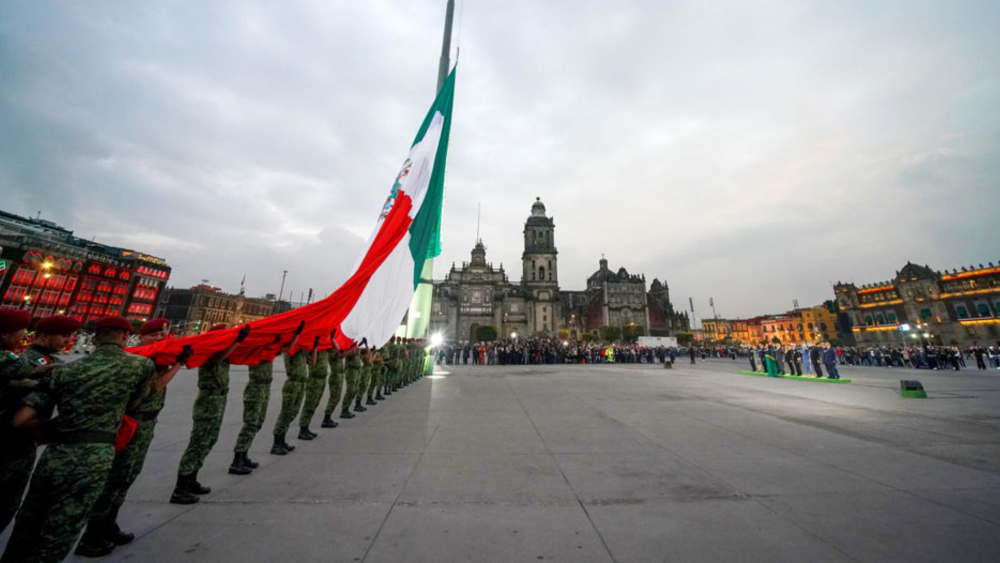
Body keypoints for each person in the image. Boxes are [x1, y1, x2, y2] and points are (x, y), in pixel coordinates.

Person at [1, 316, 174, 563]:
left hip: (54, 455)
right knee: (60, 531)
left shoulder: (64, 370)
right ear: (127, 337)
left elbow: (22, 419)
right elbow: (138, 399)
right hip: (94, 456)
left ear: (94, 338)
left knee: (28, 522)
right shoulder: (139, 366)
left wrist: (58, 429)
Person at [77, 318, 191, 555]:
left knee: (126, 478)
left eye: (162, 334)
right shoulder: (139, 361)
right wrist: (178, 364)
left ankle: (109, 524)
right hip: (132, 422)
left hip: (146, 423)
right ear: (139, 338)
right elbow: (155, 388)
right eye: (153, 335)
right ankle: (92, 534)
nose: (159, 338)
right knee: (115, 480)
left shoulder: (156, 359)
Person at [171, 323, 250, 502]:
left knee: (209, 440)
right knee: (198, 441)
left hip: (218, 399)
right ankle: (181, 487)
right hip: (208, 400)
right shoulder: (209, 351)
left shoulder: (223, 351)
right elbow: (217, 359)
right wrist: (237, 340)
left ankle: (192, 479)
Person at [0, 309, 58, 534]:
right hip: (10, 441)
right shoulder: (10, 358)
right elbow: (30, 371)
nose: (25, 334)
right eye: (21, 330)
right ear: (5, 334)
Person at [231, 329, 301, 474]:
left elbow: (287, 348)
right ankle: (237, 459)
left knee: (258, 422)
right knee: (250, 423)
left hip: (265, 387)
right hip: (255, 388)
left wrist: (297, 335)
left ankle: (244, 455)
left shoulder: (269, 350)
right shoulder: (256, 349)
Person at [271, 321, 308, 455]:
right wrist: (297, 334)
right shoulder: (291, 350)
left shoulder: (302, 350)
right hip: (292, 383)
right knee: (286, 413)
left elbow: (312, 360)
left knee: (293, 412)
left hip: (301, 383)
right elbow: (288, 348)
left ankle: (282, 440)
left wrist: (314, 345)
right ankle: (277, 442)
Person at [321, 331, 344, 428]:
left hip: (339, 376)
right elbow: (340, 354)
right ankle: (326, 418)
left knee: (337, 397)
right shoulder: (331, 351)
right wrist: (332, 337)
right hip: (335, 376)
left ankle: (328, 418)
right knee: (334, 397)